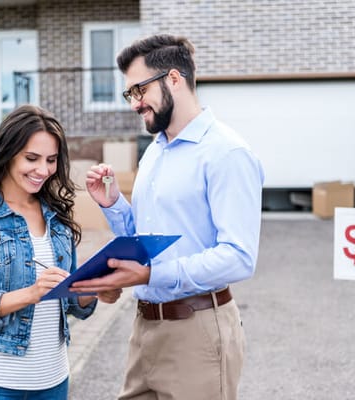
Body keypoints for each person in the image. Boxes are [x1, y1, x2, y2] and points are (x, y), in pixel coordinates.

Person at [72, 34, 265, 399]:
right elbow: (148, 241)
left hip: (197, 332)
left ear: (174, 79)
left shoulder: (226, 153)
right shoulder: (155, 152)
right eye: (130, 94)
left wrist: (151, 274)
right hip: (145, 329)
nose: (135, 103)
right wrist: (114, 205)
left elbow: (239, 257)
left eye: (138, 90)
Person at [0, 104, 121, 400]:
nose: (44, 170)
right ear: (8, 152)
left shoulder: (56, 217)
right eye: (32, 158)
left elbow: (68, 299)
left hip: (51, 381)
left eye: (51, 160)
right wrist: (30, 293)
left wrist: (96, 291)